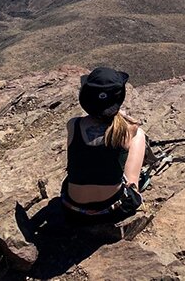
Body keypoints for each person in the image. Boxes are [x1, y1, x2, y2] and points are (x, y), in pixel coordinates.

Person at [61, 67, 147, 222]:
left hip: (73, 209)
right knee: (139, 135)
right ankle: (135, 187)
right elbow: (136, 124)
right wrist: (120, 114)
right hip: (113, 210)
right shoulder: (128, 131)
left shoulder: (73, 125)